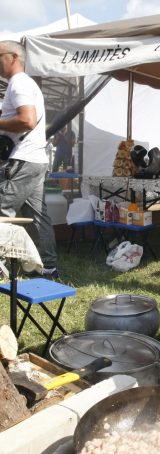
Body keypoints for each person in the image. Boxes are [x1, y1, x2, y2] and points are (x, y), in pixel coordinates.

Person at [0, 40, 58, 278]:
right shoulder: (24, 83)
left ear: (13, 57)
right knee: (38, 215)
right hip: (34, 158)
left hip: (22, 159)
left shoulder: (18, 83)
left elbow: (28, 120)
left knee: (1, 209)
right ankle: (48, 266)